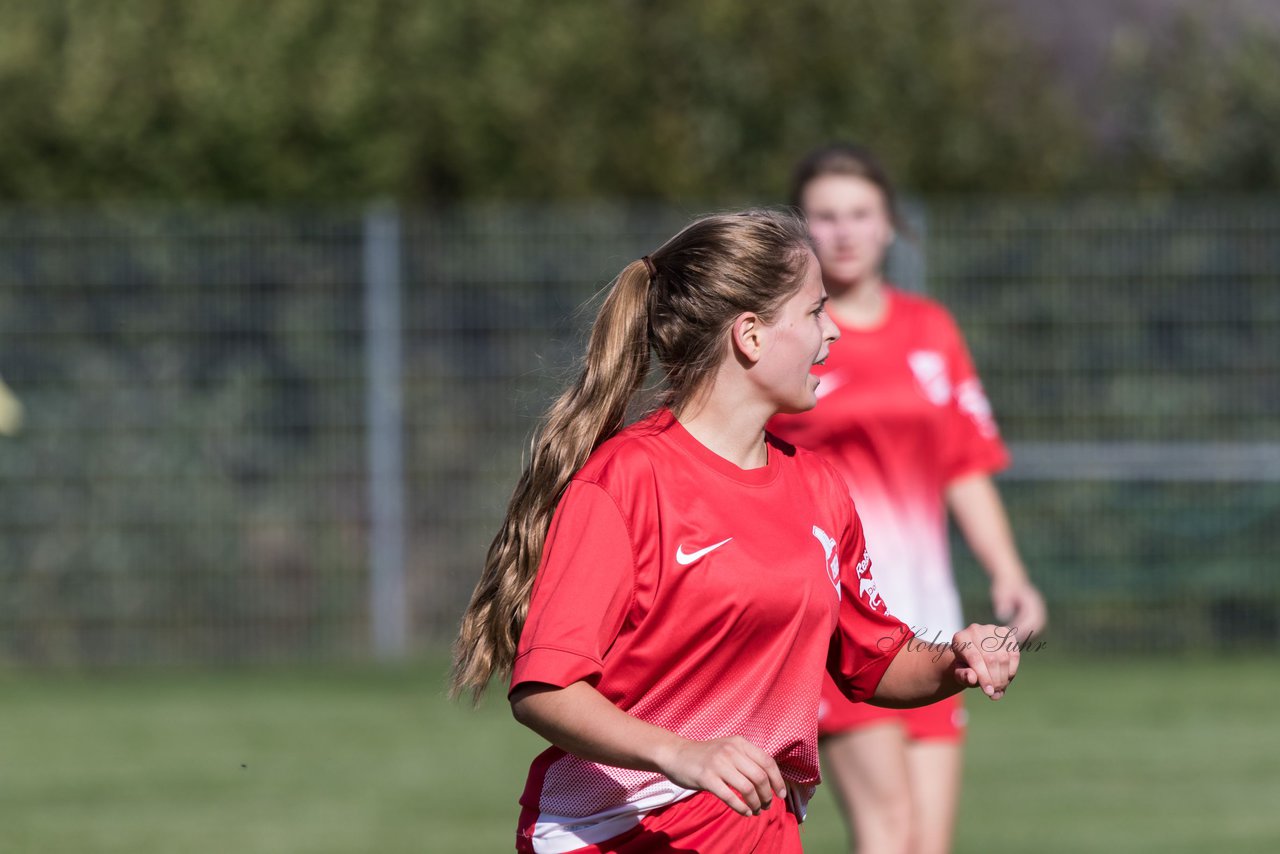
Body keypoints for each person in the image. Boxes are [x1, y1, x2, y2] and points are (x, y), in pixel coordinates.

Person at [451, 210, 1021, 854]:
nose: (832, 332)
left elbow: (875, 661)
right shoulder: (628, 479)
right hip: (619, 837)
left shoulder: (820, 487)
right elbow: (545, 688)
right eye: (813, 313)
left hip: (759, 833)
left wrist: (957, 658)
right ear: (750, 335)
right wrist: (679, 754)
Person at [769, 146, 1047, 854]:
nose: (844, 232)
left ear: (889, 224)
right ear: (802, 231)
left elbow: (964, 466)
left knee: (928, 844)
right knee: (886, 835)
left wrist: (1009, 571)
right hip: (841, 621)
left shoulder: (930, 329)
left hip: (933, 623)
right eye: (825, 217)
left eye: (860, 213)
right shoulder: (785, 341)